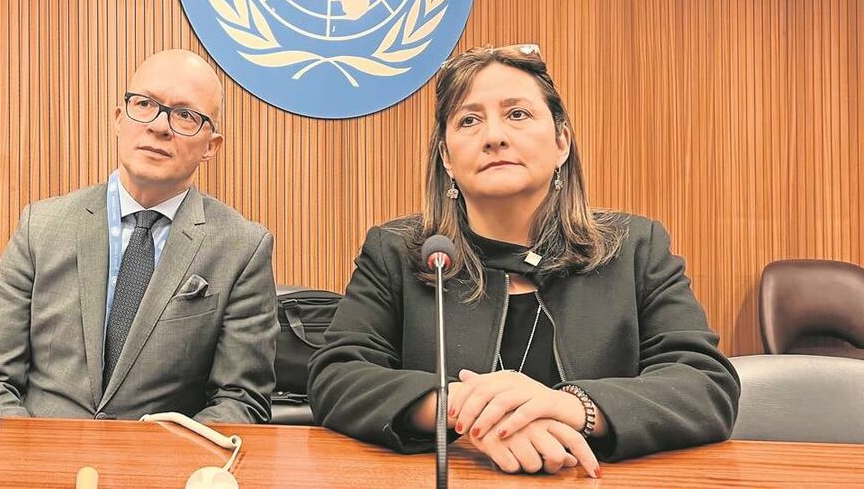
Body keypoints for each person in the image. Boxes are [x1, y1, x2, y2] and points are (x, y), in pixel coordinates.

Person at [308, 44, 740, 476]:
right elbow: (337, 377)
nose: (494, 136)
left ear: (561, 143)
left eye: (517, 114)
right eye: (469, 120)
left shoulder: (634, 246)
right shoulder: (397, 250)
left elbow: (704, 385)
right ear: (447, 159)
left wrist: (572, 406)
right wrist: (462, 408)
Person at [0, 49, 278, 423]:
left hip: (162, 470)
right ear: (118, 119)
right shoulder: (41, 226)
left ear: (211, 146)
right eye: (145, 104)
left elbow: (241, 400)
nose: (159, 126)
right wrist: (36, 459)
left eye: (185, 115)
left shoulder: (242, 248)